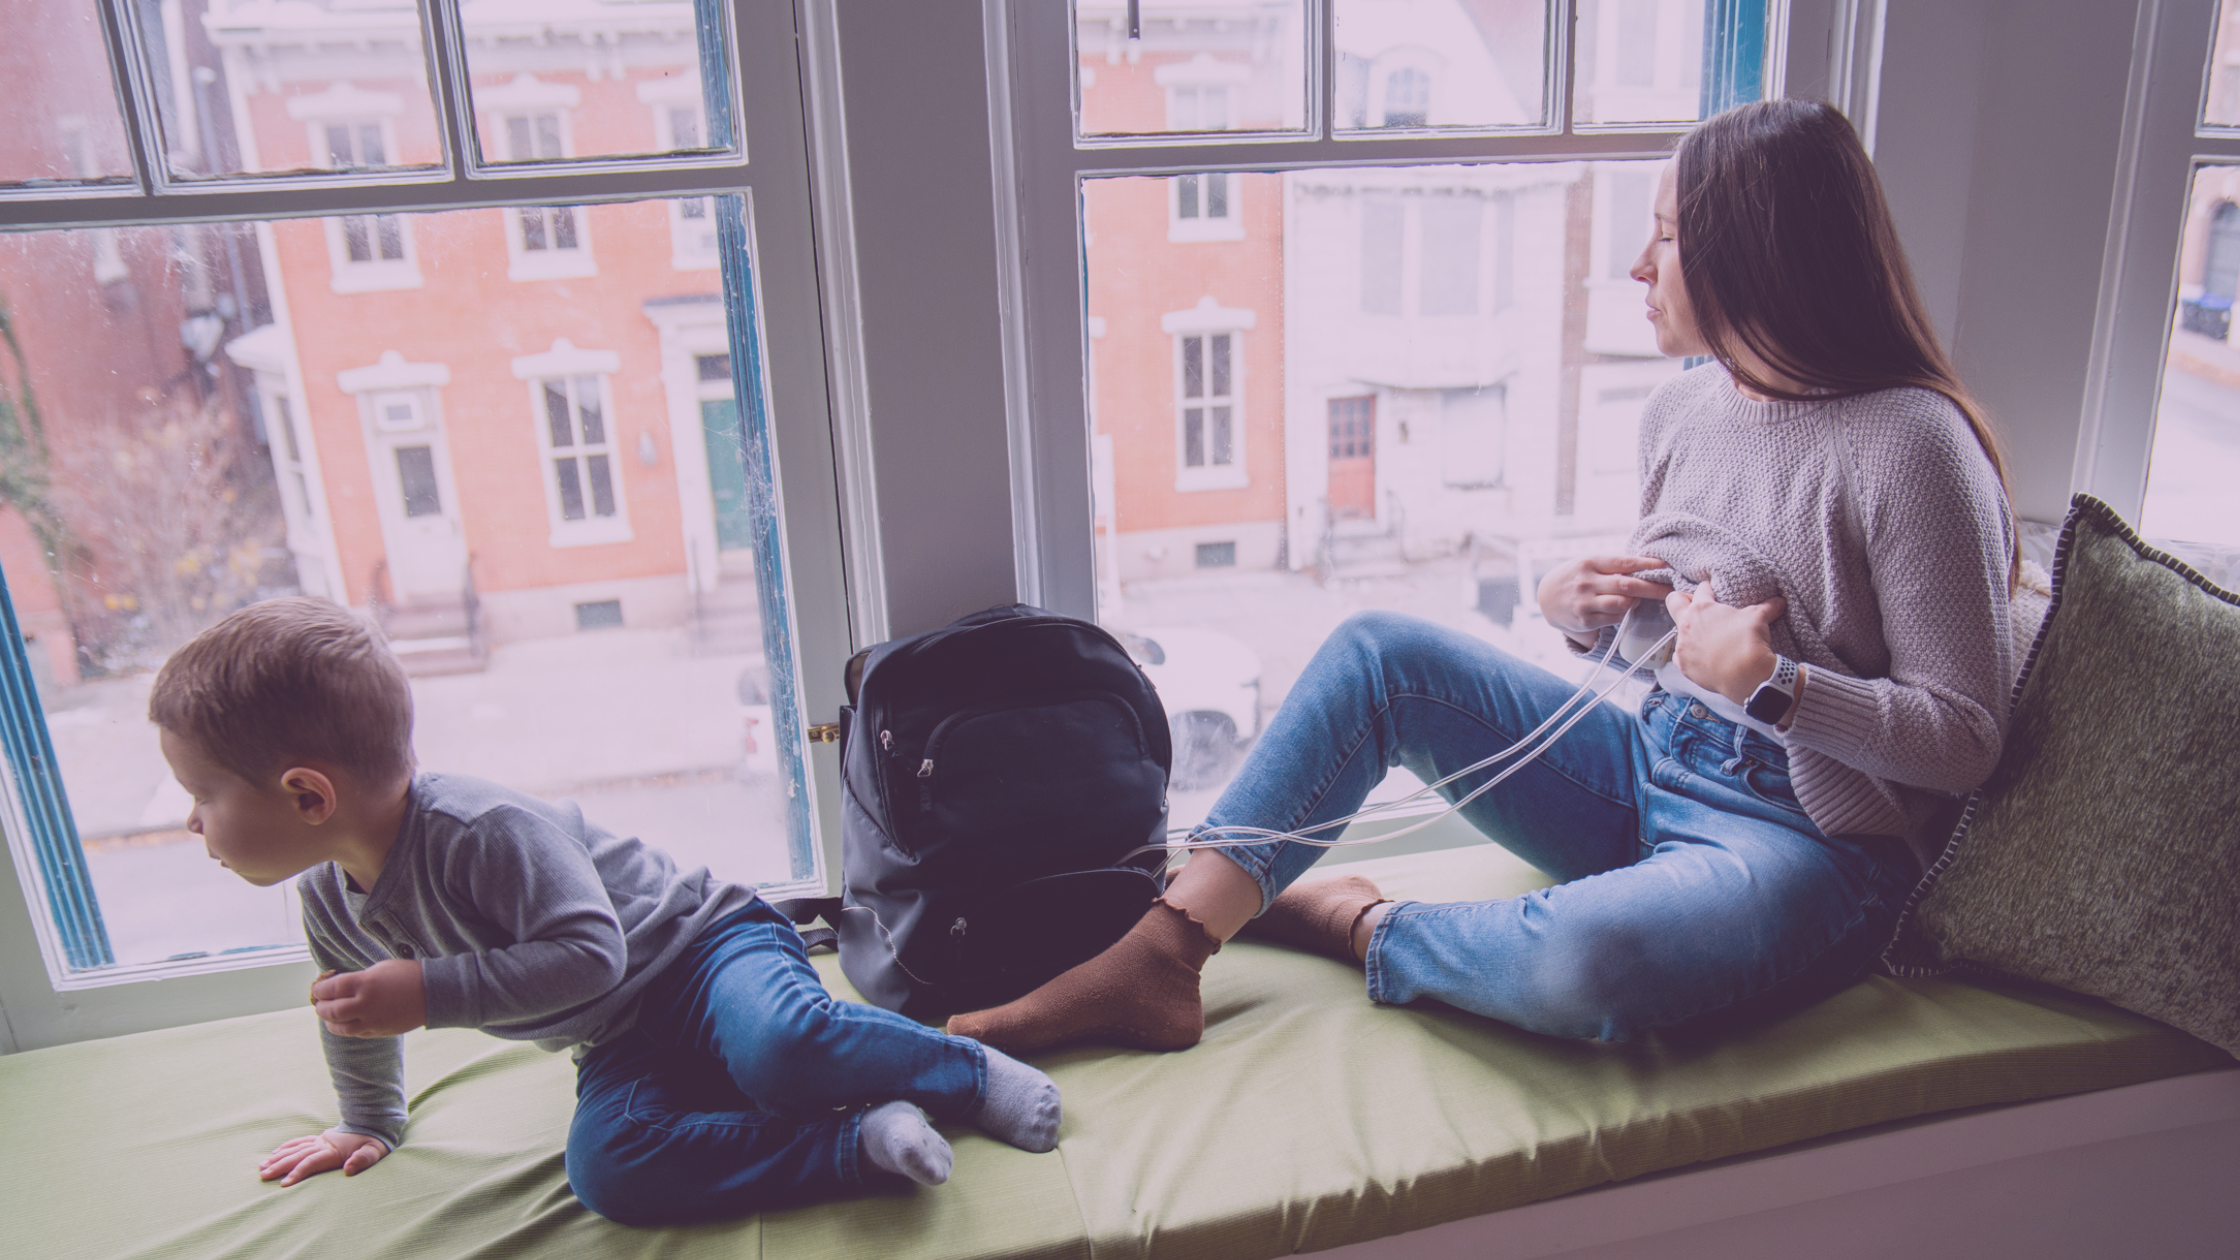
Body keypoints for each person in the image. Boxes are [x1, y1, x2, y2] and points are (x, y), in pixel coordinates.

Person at [947, 98, 2018, 1052]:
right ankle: (1162, 953)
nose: (1639, 270)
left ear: (1756, 251)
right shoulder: (1682, 408)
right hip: (1645, 765)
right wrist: (1581, 619)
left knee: (1593, 967)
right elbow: (1676, 646)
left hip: (1804, 843)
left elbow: (1964, 741)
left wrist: (1775, 687)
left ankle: (1355, 921)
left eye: (1662, 237)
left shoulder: (1912, 447)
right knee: (1380, 652)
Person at [150, 597, 1061, 1227]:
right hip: (620, 1034)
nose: (191, 818)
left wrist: (432, 991)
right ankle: (856, 1145)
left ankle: (968, 1075)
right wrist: (369, 1121)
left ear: (309, 795)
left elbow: (591, 956)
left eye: (201, 792)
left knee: (786, 1050)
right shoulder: (325, 895)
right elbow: (352, 1017)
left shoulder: (481, 829)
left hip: (703, 950)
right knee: (610, 1166)